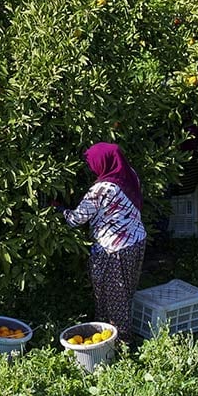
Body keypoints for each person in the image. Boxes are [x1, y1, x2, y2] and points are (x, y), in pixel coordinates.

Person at [55, 142, 147, 342]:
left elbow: (75, 219)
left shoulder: (102, 189)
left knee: (112, 297)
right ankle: (109, 336)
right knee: (125, 292)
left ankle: (120, 342)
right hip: (136, 242)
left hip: (114, 249)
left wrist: (60, 210)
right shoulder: (130, 175)